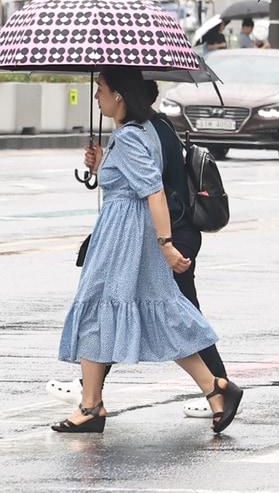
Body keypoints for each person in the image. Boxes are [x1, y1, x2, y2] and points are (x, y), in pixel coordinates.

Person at [52, 66, 242, 435]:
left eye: (101, 89)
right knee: (160, 310)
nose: (97, 96)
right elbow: (132, 180)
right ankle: (216, 388)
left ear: (119, 96)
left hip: (125, 237)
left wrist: (166, 246)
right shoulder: (140, 132)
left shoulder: (132, 137)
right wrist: (103, 163)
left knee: (97, 309)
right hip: (126, 231)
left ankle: (91, 407)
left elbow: (152, 190)